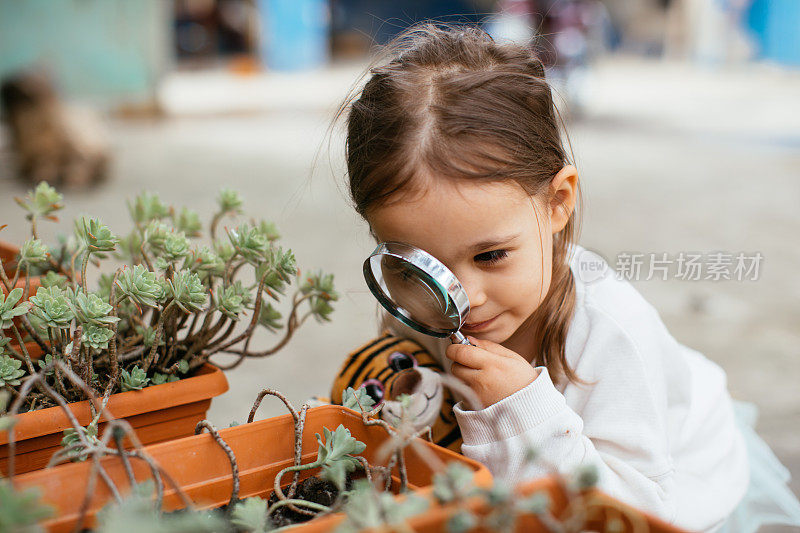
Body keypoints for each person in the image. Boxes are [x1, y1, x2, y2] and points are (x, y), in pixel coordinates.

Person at [334, 22, 800, 532]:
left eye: (490, 256)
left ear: (557, 203)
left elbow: (632, 513)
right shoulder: (414, 301)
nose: (462, 298)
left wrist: (523, 412)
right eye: (418, 267)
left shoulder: (610, 330)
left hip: (668, 484)